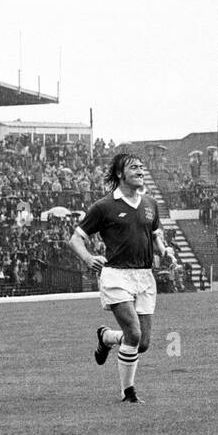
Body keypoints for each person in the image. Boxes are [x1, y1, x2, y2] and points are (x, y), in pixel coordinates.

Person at [68, 154, 175, 405]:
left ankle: (107, 337)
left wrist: (165, 252)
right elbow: (75, 238)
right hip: (116, 275)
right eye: (133, 167)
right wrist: (87, 258)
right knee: (134, 334)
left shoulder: (150, 203)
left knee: (143, 343)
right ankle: (128, 393)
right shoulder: (104, 206)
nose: (140, 170)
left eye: (141, 167)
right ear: (119, 174)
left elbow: (156, 237)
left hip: (145, 276)